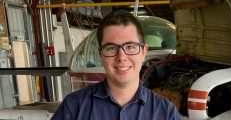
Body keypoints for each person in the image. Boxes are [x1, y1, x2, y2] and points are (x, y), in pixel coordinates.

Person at [52, 10, 182, 120]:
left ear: (143, 52)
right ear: (101, 55)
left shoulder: (166, 112)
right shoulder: (73, 107)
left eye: (130, 47)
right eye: (111, 48)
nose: (121, 57)